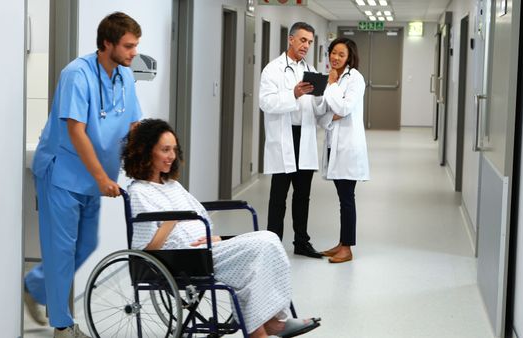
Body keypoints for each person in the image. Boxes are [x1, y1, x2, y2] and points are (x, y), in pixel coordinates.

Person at [123, 119, 321, 338]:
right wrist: (172, 219)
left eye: (174, 150)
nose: (171, 156)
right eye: (165, 150)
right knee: (263, 245)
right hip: (181, 258)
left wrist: (214, 238)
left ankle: (271, 321)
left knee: (269, 240)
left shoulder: (172, 185)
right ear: (146, 151)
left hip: (205, 248)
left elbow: (199, 214)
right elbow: (146, 250)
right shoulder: (139, 192)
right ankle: (265, 327)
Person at [23, 12, 143, 338]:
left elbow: (133, 125)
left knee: (87, 243)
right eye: (128, 46)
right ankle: (62, 325)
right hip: (62, 174)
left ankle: (34, 285)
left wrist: (142, 164)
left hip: (95, 179)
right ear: (107, 43)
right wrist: (102, 178)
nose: (134, 52)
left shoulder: (125, 77)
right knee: (61, 251)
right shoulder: (77, 75)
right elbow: (76, 131)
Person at [259, 22, 323, 258]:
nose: (306, 45)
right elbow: (265, 102)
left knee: (302, 195)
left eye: (309, 42)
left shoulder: (311, 69)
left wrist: (321, 96)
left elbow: (315, 107)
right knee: (278, 196)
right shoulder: (272, 69)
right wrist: (293, 94)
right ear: (291, 39)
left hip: (304, 137)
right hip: (283, 138)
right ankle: (272, 244)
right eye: (303, 40)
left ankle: (301, 242)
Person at [315, 37, 369, 264]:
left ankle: (347, 248)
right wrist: (331, 114)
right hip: (332, 144)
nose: (335, 58)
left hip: (348, 147)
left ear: (349, 58)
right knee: (342, 199)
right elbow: (319, 111)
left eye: (341, 54)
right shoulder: (329, 78)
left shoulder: (355, 78)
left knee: (347, 199)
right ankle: (342, 243)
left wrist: (334, 87)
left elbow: (345, 108)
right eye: (333, 53)